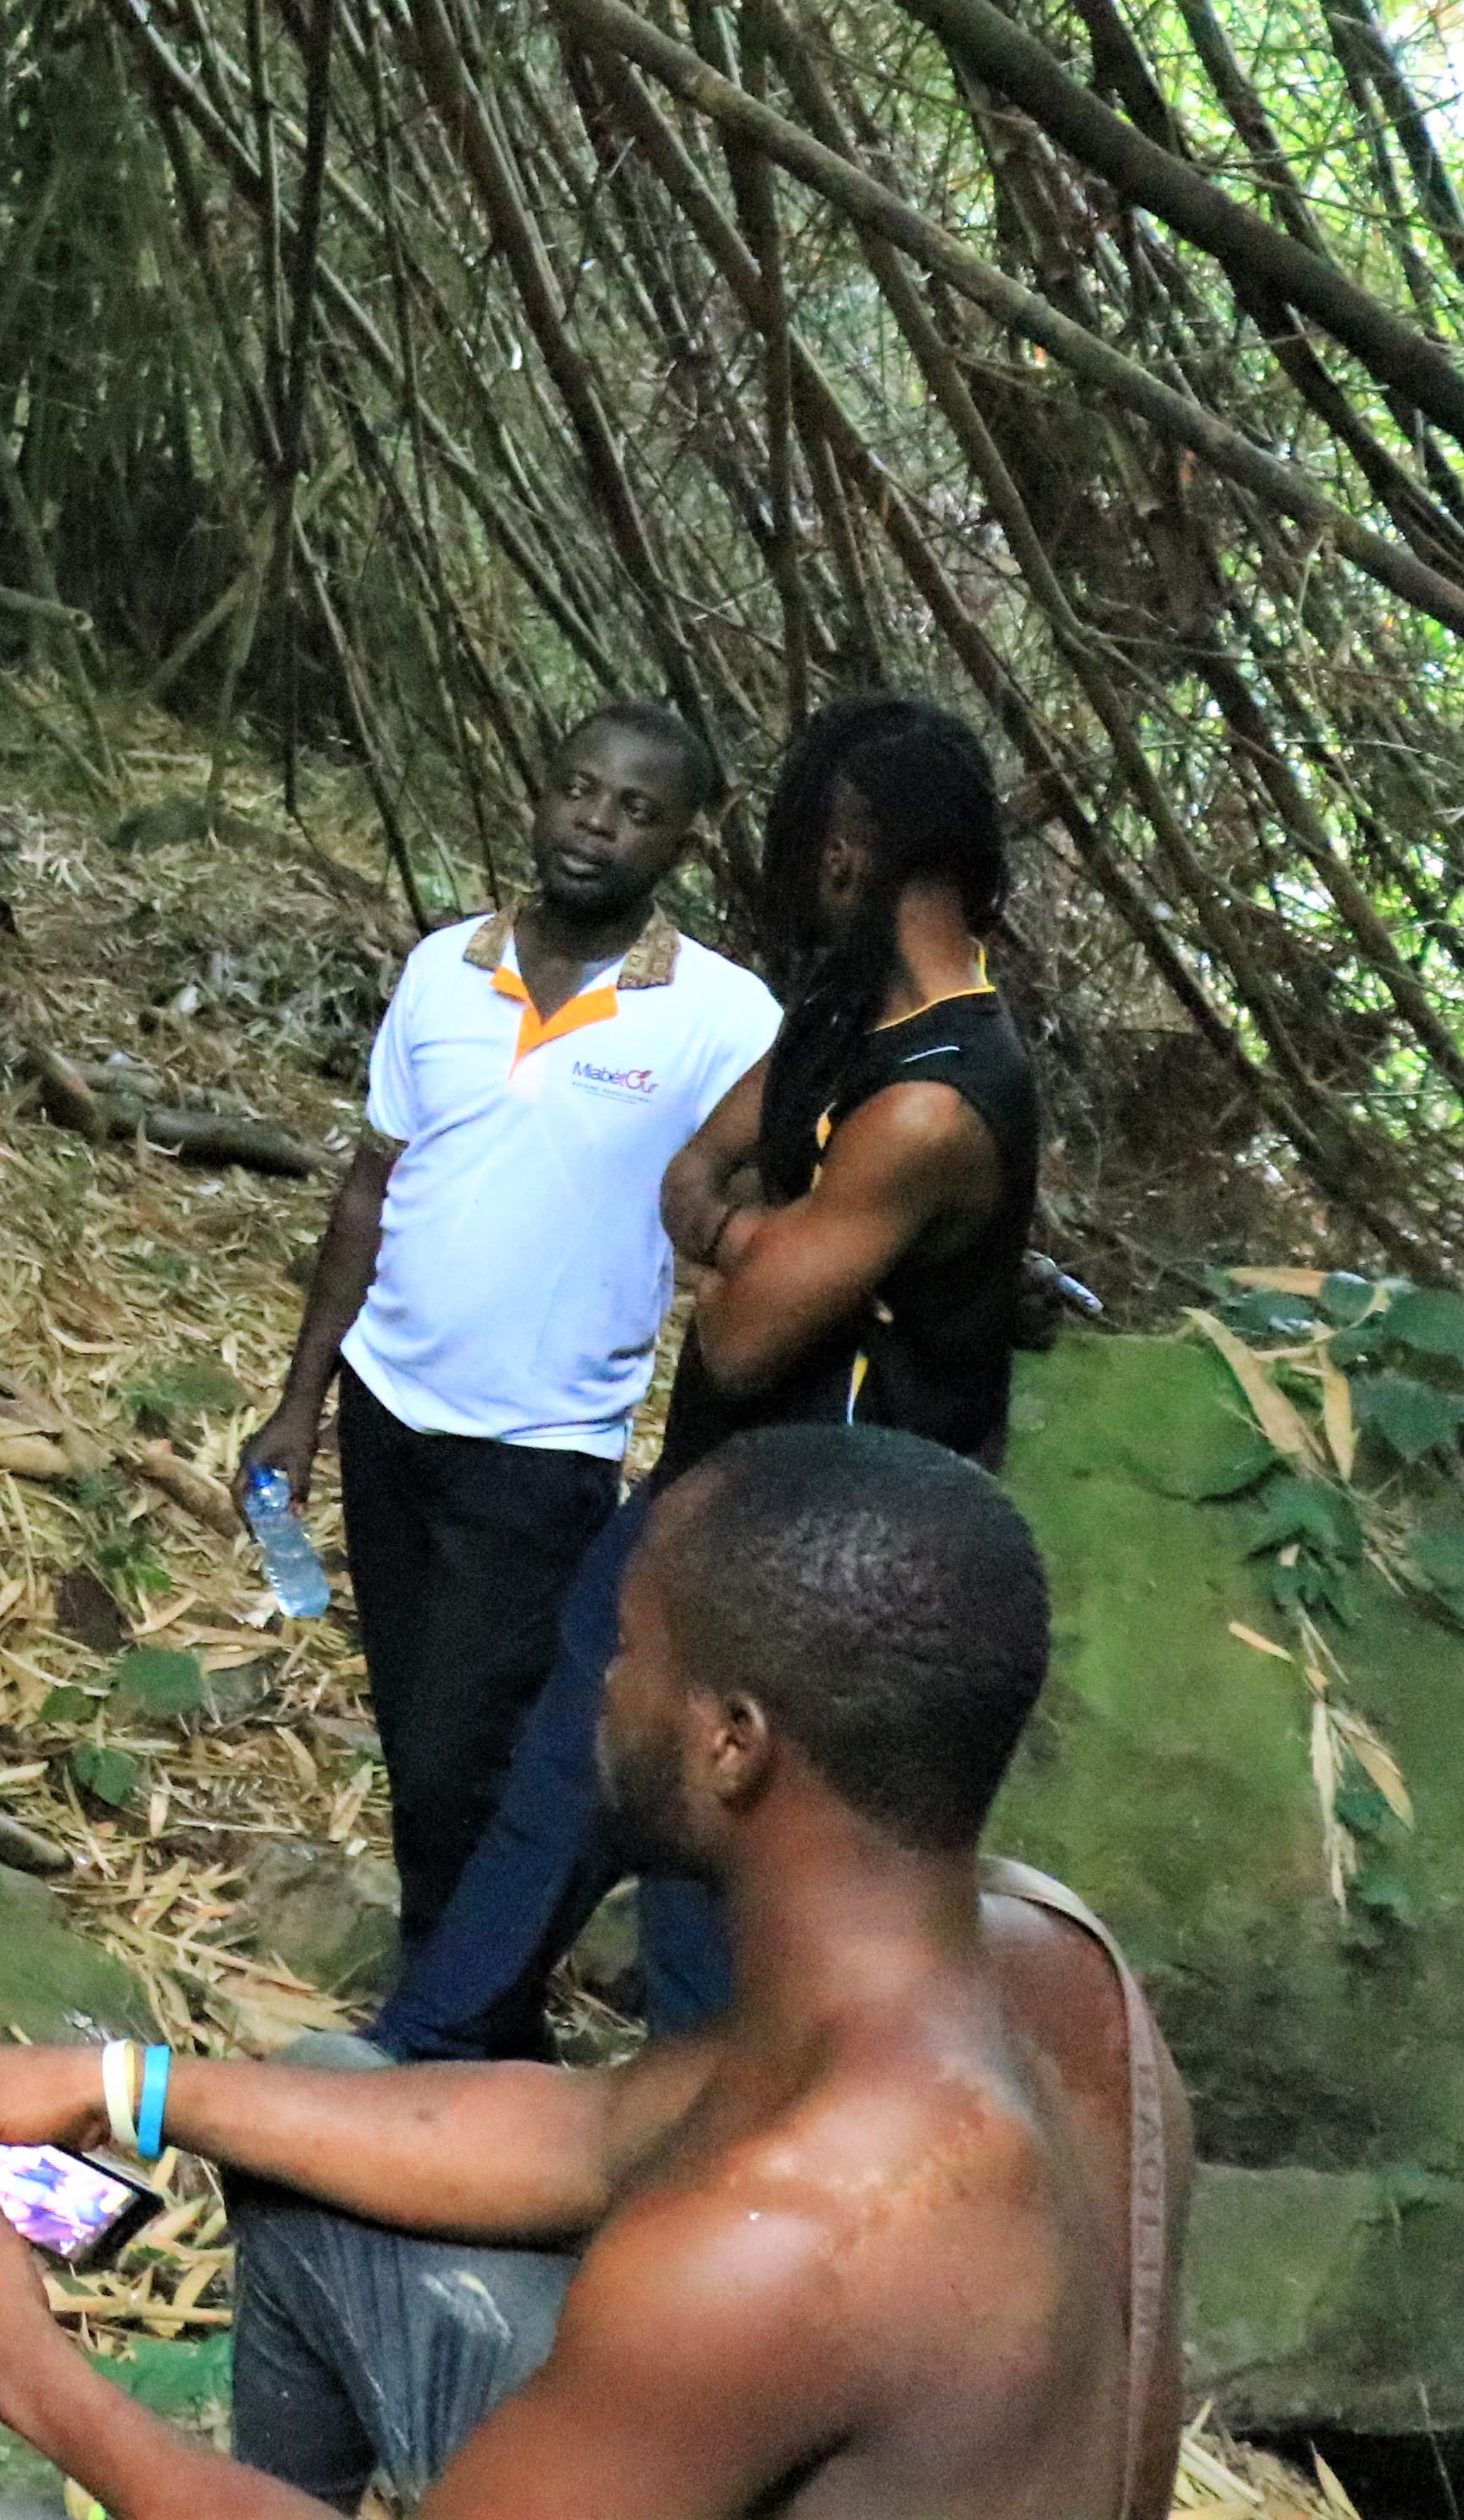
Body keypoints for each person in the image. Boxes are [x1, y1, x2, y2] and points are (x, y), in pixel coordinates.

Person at [0, 1422, 1188, 2520]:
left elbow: (736, 2224)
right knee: (322, 2098)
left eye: (626, 1652)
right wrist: (121, 2084)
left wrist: (27, 2371)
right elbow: (592, 2130)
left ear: (735, 1741)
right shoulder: (1033, 1960)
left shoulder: (777, 2246)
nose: (600, 1693)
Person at [372, 695, 1036, 2063]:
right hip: (724, 1490)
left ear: (852, 853)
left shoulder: (936, 1094)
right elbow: (699, 1179)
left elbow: (740, 1337)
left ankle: (660, 2110)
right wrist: (763, 1241)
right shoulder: (849, 1018)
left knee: (710, 1842)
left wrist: (753, 1251)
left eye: (812, 852)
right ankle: (438, 2045)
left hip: (835, 1544)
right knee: (578, 1757)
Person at [239, 705, 771, 1962]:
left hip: (543, 1443)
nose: (596, 822)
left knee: (460, 1749)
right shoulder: (442, 969)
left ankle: (458, 2020)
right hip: (387, 1405)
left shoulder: (722, 1017)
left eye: (636, 808)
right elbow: (371, 1188)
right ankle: (458, 2011)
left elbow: (769, 1204)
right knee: (420, 1727)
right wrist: (302, 1398)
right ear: (540, 795)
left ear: (683, 842)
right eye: (578, 789)